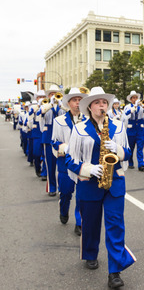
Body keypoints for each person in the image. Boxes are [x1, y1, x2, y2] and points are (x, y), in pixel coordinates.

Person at [65, 87, 136, 288]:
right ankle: (90, 253)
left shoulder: (118, 126)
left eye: (104, 102)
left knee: (115, 226)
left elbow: (129, 153)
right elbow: (70, 160)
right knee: (91, 224)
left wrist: (119, 150)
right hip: (90, 184)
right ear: (90, 107)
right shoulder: (79, 129)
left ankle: (114, 272)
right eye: (97, 102)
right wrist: (88, 169)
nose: (102, 105)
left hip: (115, 183)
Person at [51, 88, 87, 235]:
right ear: (69, 103)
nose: (77, 103)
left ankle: (79, 222)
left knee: (81, 195)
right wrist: (66, 147)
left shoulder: (87, 119)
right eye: (74, 100)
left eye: (80, 100)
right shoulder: (59, 121)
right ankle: (63, 209)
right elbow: (54, 141)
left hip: (82, 164)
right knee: (66, 193)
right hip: (65, 163)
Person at [39, 84, 66, 196]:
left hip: (60, 136)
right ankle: (52, 187)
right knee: (50, 165)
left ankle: (62, 187)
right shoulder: (44, 104)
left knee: (62, 165)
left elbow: (68, 114)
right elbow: (40, 113)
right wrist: (50, 104)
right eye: (51, 94)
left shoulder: (62, 105)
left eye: (56, 93)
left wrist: (60, 104)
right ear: (48, 95)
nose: (54, 95)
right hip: (48, 136)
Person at [123, 91, 144, 172]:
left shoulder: (141, 106)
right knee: (131, 147)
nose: (135, 99)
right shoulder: (127, 106)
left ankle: (141, 164)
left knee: (140, 147)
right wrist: (134, 107)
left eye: (136, 98)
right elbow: (126, 115)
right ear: (130, 99)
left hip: (140, 129)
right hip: (131, 128)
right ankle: (130, 161)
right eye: (133, 98)